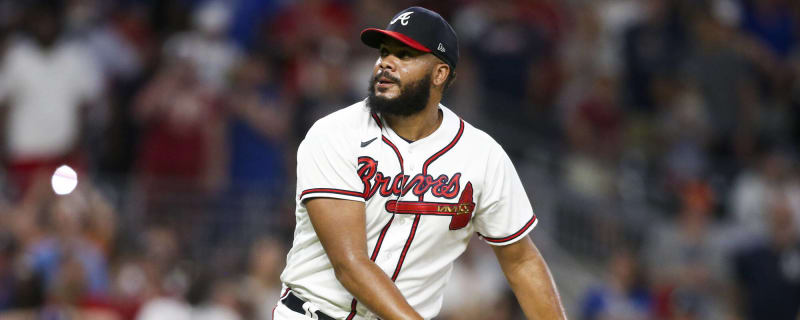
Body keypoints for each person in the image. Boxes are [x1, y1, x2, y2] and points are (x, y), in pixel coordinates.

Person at [275, 7, 566, 320]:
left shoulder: (482, 156)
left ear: (439, 73)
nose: (386, 62)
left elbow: (521, 261)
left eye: (404, 55)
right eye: (385, 51)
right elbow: (349, 264)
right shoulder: (334, 134)